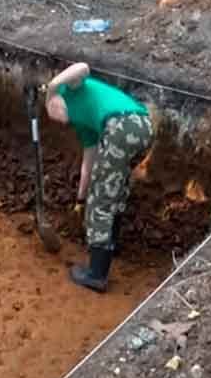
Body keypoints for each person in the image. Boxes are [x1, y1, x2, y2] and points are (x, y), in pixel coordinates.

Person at [41, 62, 153, 293]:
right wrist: (80, 200)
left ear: (54, 102)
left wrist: (52, 89)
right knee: (115, 186)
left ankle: (97, 274)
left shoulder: (69, 89)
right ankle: (111, 244)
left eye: (55, 113)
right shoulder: (84, 124)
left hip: (122, 125)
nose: (60, 121)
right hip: (141, 128)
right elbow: (88, 163)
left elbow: (83, 67)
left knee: (100, 199)